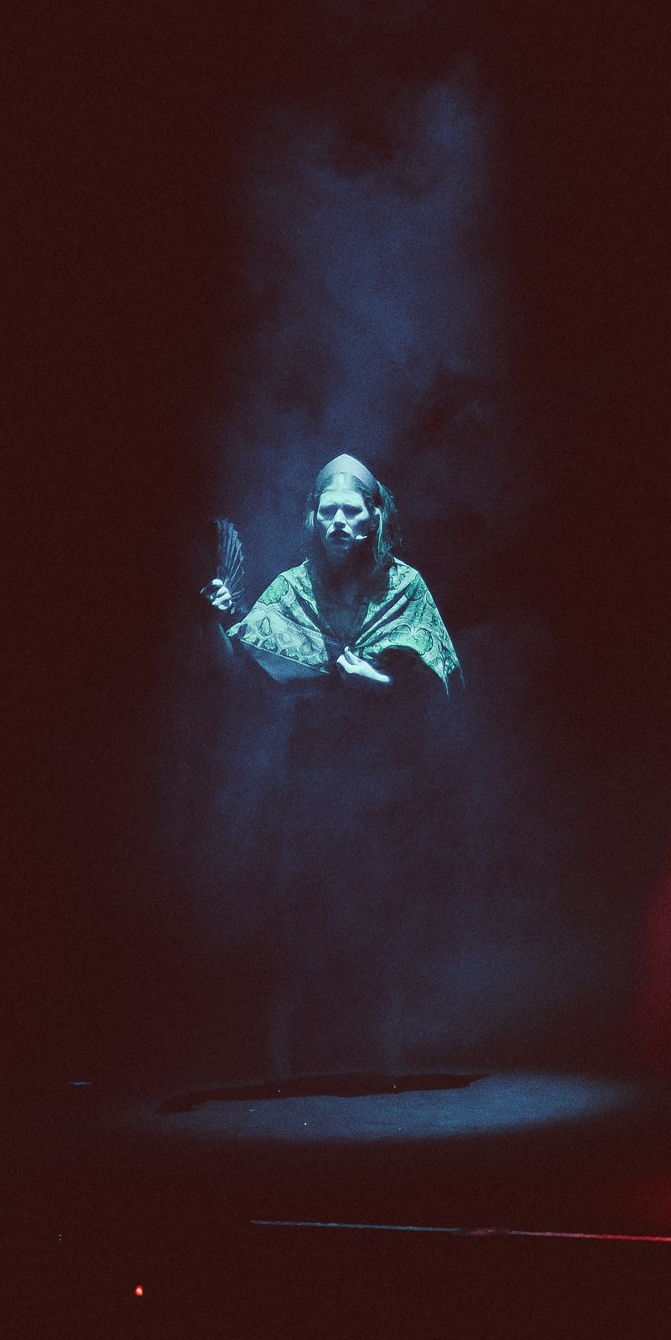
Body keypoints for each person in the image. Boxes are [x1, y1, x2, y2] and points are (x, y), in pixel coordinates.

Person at [202, 453, 460, 1077]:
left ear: (375, 517)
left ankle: (389, 1061)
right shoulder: (291, 590)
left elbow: (442, 684)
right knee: (301, 916)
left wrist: (379, 681)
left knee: (383, 917)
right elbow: (243, 673)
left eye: (352, 511)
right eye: (328, 511)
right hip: (311, 777)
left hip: (389, 781)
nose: (339, 522)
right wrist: (220, 626)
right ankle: (287, 1067)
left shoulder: (406, 589)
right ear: (313, 520)